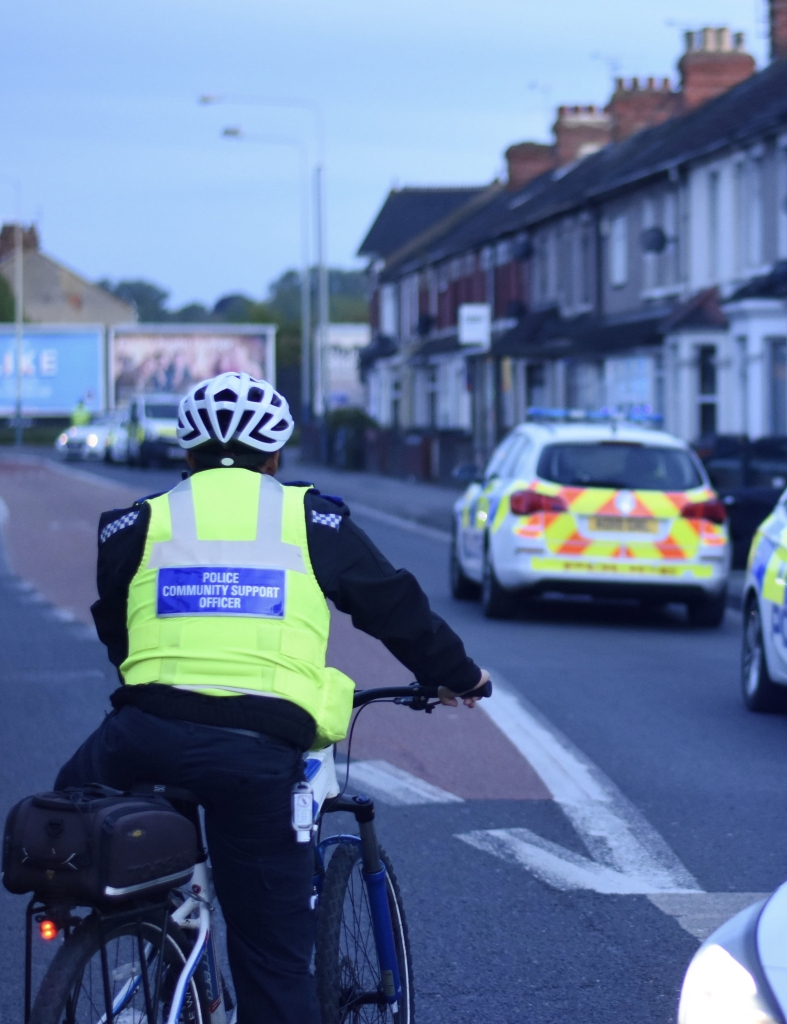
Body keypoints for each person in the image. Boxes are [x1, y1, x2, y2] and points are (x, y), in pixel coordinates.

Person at [56, 371, 489, 1024]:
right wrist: (459, 674)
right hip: (255, 750)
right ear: (276, 455)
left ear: (186, 452)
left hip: (139, 735)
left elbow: (119, 635)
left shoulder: (133, 524)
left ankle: (135, 923)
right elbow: (395, 607)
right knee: (273, 959)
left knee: (69, 832)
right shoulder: (310, 518)